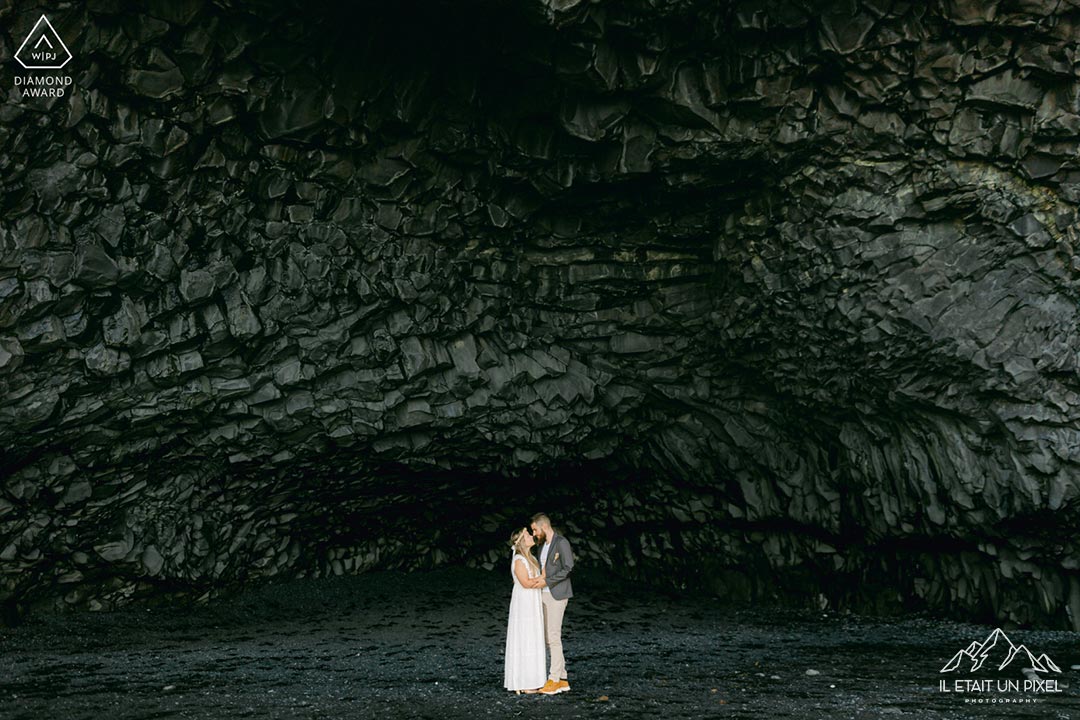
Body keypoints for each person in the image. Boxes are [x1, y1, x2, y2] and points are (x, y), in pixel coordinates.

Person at [530, 512, 574, 695]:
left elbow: (568, 567)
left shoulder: (561, 542)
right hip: (544, 594)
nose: (534, 534)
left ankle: (554, 679)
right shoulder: (542, 546)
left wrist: (547, 582)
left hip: (557, 595)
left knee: (553, 637)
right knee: (549, 639)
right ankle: (563, 679)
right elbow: (544, 571)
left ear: (544, 526)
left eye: (534, 530)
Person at [504, 527, 547, 693]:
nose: (531, 536)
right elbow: (526, 583)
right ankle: (524, 682)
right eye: (528, 535)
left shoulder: (531, 558)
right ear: (521, 541)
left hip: (532, 600)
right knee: (525, 637)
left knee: (533, 636)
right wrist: (544, 581)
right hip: (524, 602)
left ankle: (533, 679)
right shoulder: (519, 560)